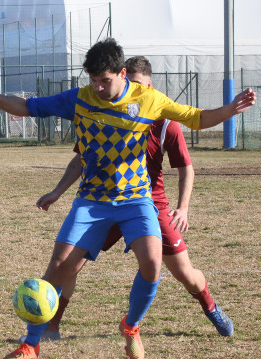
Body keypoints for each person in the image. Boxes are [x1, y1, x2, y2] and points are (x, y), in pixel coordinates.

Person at [0, 38, 256, 359]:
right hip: (92, 202)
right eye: (93, 80)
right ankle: (30, 345)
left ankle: (131, 325)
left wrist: (229, 110)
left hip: (136, 200)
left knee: (152, 263)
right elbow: (28, 107)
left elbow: (196, 118)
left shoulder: (148, 100)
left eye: (105, 80)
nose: (99, 88)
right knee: (58, 267)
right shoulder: (79, 99)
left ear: (121, 73)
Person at [24, 56, 234, 344]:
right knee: (69, 265)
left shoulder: (165, 124)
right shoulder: (106, 114)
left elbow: (186, 167)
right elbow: (81, 159)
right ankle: (52, 326)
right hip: (103, 199)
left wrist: (183, 207)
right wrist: (58, 191)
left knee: (182, 272)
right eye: (130, 86)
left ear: (150, 87)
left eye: (140, 87)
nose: (134, 94)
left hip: (147, 204)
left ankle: (210, 307)